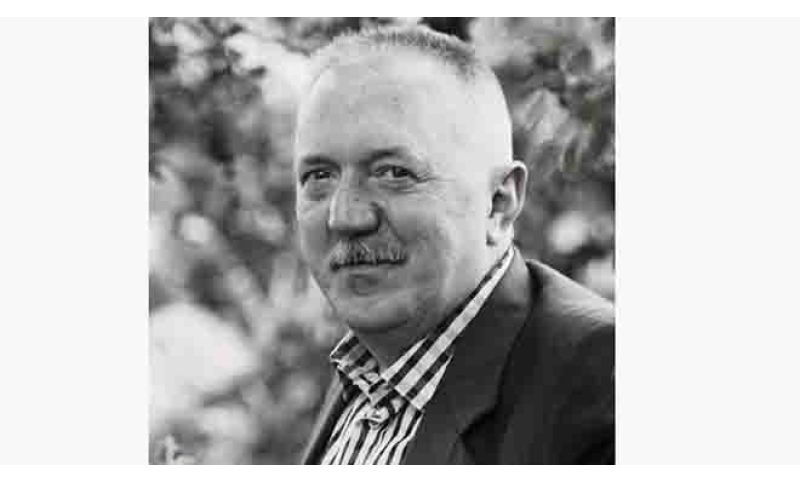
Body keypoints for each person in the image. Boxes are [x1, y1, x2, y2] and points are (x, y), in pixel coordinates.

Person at [293, 25, 614, 465]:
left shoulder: (602, 381)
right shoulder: (368, 369)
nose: (345, 216)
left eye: (394, 173)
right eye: (319, 176)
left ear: (498, 203)